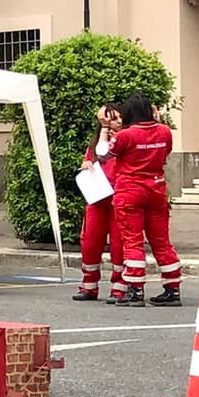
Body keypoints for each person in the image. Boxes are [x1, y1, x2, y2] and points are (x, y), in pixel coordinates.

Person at [106, 94, 181, 306]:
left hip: (130, 189)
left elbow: (104, 154)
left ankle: (135, 290)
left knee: (132, 240)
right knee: (161, 241)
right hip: (156, 188)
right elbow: (166, 151)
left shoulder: (125, 135)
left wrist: (106, 132)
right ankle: (172, 289)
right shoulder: (164, 131)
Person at [74, 104, 122, 300]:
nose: (116, 121)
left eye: (119, 117)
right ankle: (89, 285)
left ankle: (120, 287)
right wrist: (86, 165)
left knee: (120, 245)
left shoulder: (126, 139)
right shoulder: (96, 142)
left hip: (119, 199)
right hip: (97, 198)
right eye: (112, 118)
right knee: (90, 242)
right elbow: (90, 158)